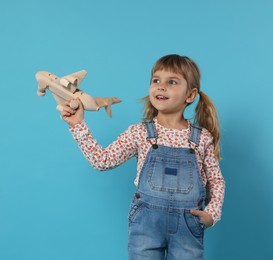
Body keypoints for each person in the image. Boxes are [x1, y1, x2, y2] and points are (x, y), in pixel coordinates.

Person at [61, 54, 225, 260]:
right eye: (156, 80)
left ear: (190, 95)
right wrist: (77, 125)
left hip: (188, 226)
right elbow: (101, 161)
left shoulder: (201, 138)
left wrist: (212, 214)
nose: (161, 86)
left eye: (171, 82)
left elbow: (216, 181)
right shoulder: (139, 132)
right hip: (146, 224)